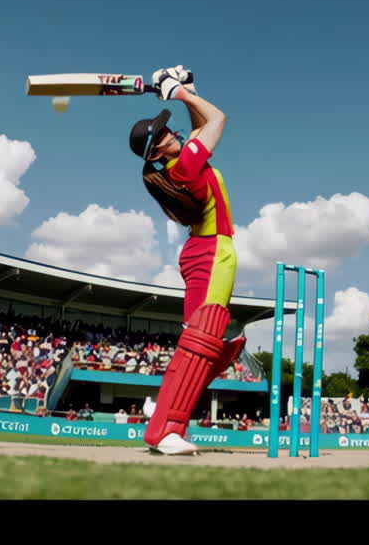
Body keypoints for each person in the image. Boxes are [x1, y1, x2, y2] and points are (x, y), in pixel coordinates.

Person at [131, 66, 244, 456]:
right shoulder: (187, 166)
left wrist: (191, 90)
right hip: (212, 253)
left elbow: (199, 130)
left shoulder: (181, 164)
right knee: (200, 343)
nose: (172, 131)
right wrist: (178, 93)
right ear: (157, 150)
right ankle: (165, 430)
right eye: (164, 133)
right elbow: (217, 119)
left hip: (207, 252)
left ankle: (165, 424)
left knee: (205, 345)